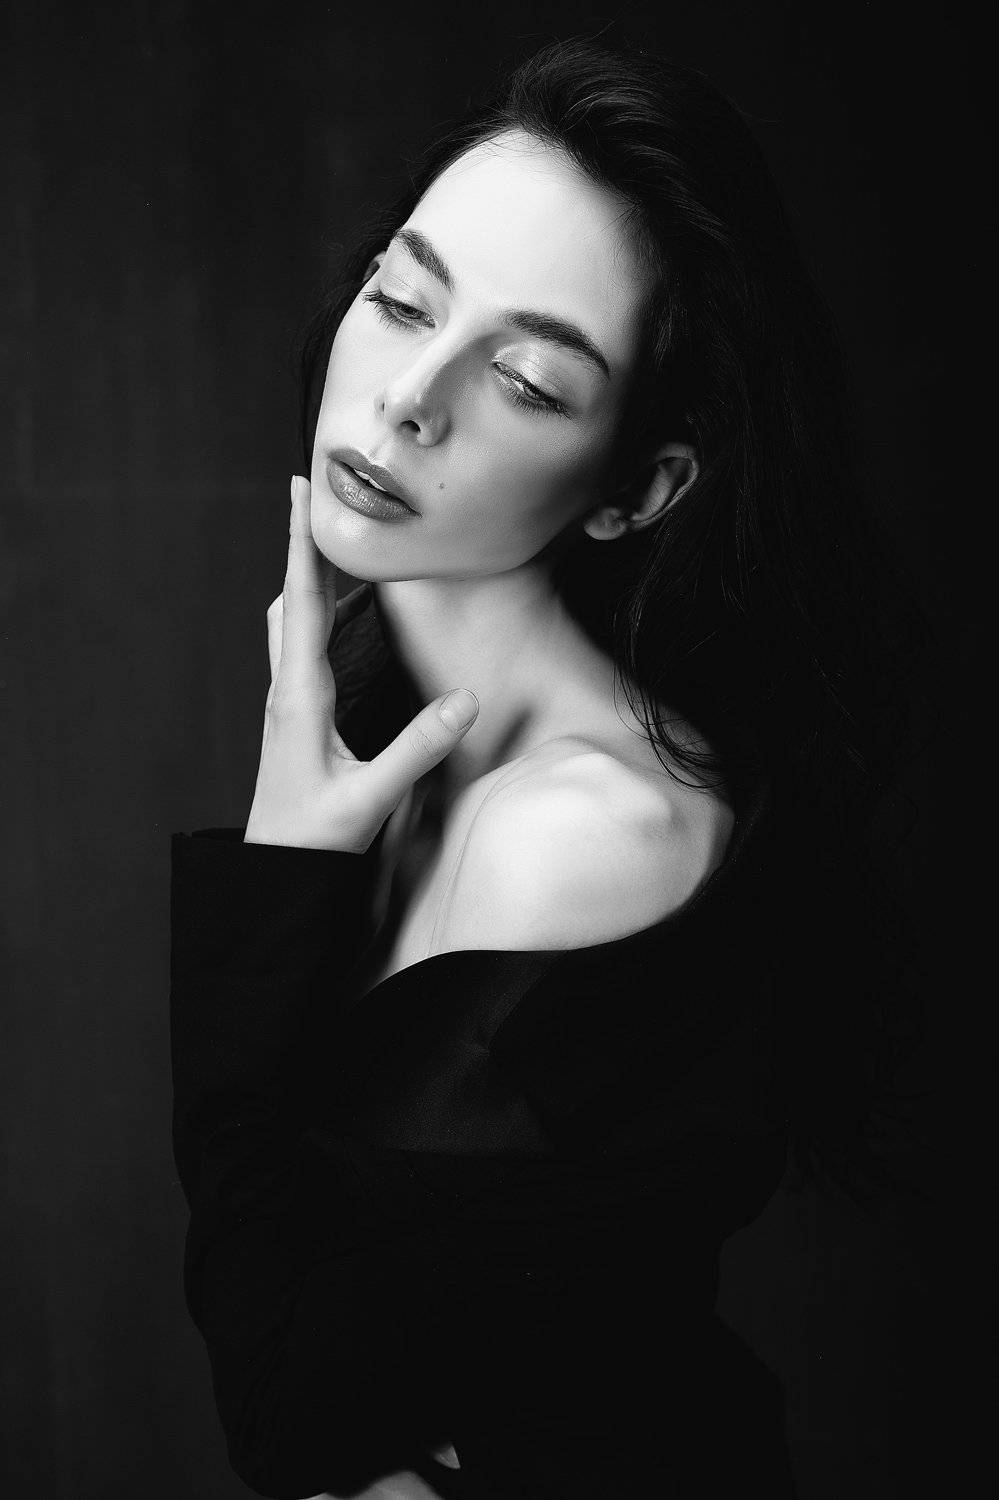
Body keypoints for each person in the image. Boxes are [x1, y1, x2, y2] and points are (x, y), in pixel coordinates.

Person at [169, 37, 927, 1500]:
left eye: (523, 378)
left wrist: (273, 888)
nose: (408, 397)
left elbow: (296, 1412)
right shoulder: (405, 738)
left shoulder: (577, 834)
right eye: (403, 300)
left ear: (639, 488)